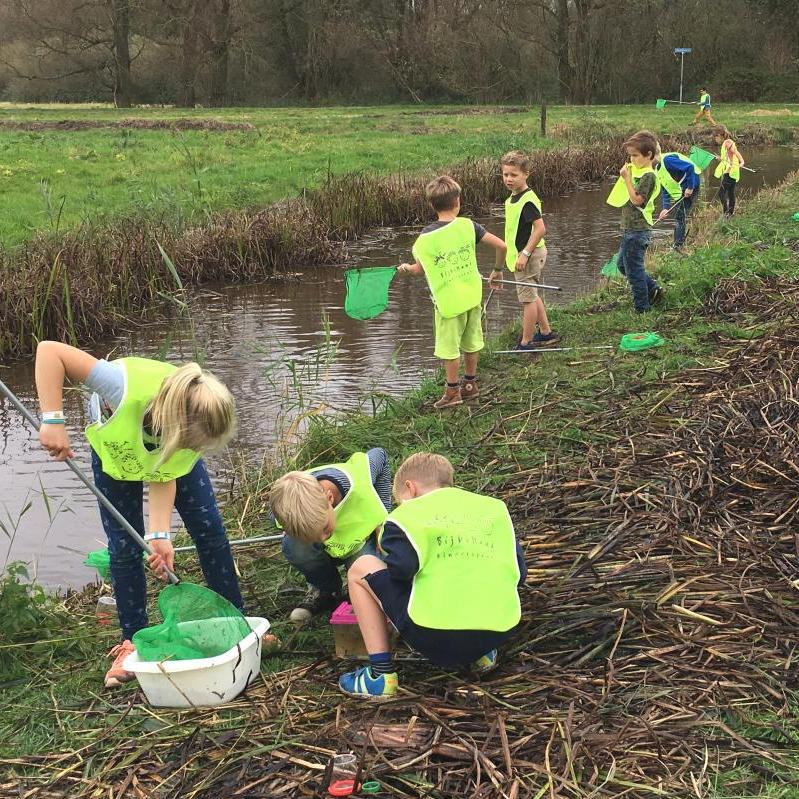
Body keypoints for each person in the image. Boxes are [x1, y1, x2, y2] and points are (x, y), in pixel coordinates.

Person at [34, 342, 244, 688]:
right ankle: (132, 640)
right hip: (118, 451)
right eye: (191, 445)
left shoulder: (184, 437)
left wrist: (160, 536)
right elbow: (49, 352)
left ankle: (238, 622)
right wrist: (52, 420)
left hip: (160, 446)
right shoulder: (118, 385)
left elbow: (166, 470)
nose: (194, 452)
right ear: (174, 426)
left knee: (208, 528)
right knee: (124, 546)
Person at [338, 452, 527, 700]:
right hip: (500, 630)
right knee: (475, 566)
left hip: (434, 635)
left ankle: (380, 676)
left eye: (399, 500)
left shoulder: (406, 516)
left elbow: (401, 571)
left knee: (360, 567)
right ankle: (481, 655)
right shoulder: (494, 509)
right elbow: (519, 574)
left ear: (410, 488)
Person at [398, 176, 506, 409]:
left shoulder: (424, 240)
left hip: (448, 304)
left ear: (431, 205)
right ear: (458, 201)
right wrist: (497, 271)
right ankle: (470, 385)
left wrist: (406, 268)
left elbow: (418, 270)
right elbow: (502, 246)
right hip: (472, 297)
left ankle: (452, 392)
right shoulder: (469, 226)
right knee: (472, 342)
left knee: (449, 349)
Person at [269, 448, 392, 623]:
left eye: (325, 528)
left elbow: (381, 454)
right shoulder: (283, 510)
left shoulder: (359, 479)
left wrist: (384, 516)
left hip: (359, 541)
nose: (323, 539)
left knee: (371, 582)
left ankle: (358, 590)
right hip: (334, 547)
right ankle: (326, 591)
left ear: (330, 499)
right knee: (293, 545)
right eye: (314, 534)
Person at [490, 150, 559, 350]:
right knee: (532, 294)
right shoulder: (512, 198)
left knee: (527, 300)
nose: (509, 179)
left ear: (526, 174)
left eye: (514, 175)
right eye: (505, 174)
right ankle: (545, 332)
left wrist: (525, 253)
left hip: (529, 256)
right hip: (522, 255)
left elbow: (540, 229)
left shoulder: (527, 200)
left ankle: (526, 342)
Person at [605, 130, 664, 313]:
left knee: (634, 270)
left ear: (649, 155)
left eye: (635, 156)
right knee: (623, 265)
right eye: (629, 156)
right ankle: (653, 289)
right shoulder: (639, 172)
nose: (631, 160)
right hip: (629, 229)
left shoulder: (648, 176)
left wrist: (627, 179)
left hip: (638, 231)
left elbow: (638, 200)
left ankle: (642, 308)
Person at [654, 144, 702, 251]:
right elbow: (665, 188)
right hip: (681, 188)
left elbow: (690, 167)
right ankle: (677, 244)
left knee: (679, 217)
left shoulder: (668, 161)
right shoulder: (657, 168)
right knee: (678, 215)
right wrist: (665, 208)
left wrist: (690, 187)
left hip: (692, 184)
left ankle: (678, 246)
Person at [713, 125, 745, 217]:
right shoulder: (725, 144)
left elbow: (735, 152)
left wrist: (742, 161)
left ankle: (726, 213)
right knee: (731, 193)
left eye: (716, 137)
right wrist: (720, 158)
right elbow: (727, 157)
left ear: (720, 135)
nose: (715, 139)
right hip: (732, 172)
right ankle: (729, 214)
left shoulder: (727, 142)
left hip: (730, 172)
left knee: (721, 193)